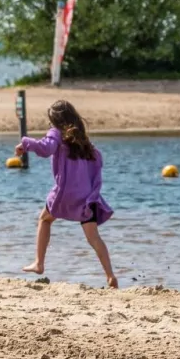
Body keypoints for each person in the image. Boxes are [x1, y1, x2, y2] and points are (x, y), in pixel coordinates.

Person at [17, 100, 117, 288]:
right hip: (87, 197)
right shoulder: (84, 142)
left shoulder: (56, 133)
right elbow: (96, 165)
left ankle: (39, 263)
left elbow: (45, 149)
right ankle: (110, 275)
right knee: (94, 237)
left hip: (65, 194)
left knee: (44, 220)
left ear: (55, 121)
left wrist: (26, 143)